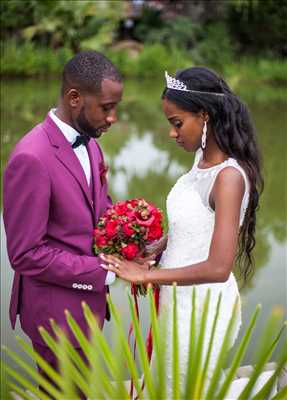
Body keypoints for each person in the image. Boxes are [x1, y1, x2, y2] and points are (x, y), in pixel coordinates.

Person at [100, 66, 263, 395]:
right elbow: (195, 229)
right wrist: (156, 248)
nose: (173, 134)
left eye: (177, 123)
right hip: (177, 298)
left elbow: (219, 267)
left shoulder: (228, 177)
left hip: (203, 307)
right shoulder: (202, 161)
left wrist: (145, 276)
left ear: (204, 116)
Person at [3, 51, 124, 391]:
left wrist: (133, 240)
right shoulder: (31, 157)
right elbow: (25, 254)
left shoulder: (92, 144)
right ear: (75, 98)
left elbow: (99, 209)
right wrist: (103, 272)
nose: (113, 117)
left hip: (87, 306)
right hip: (55, 314)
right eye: (107, 107)